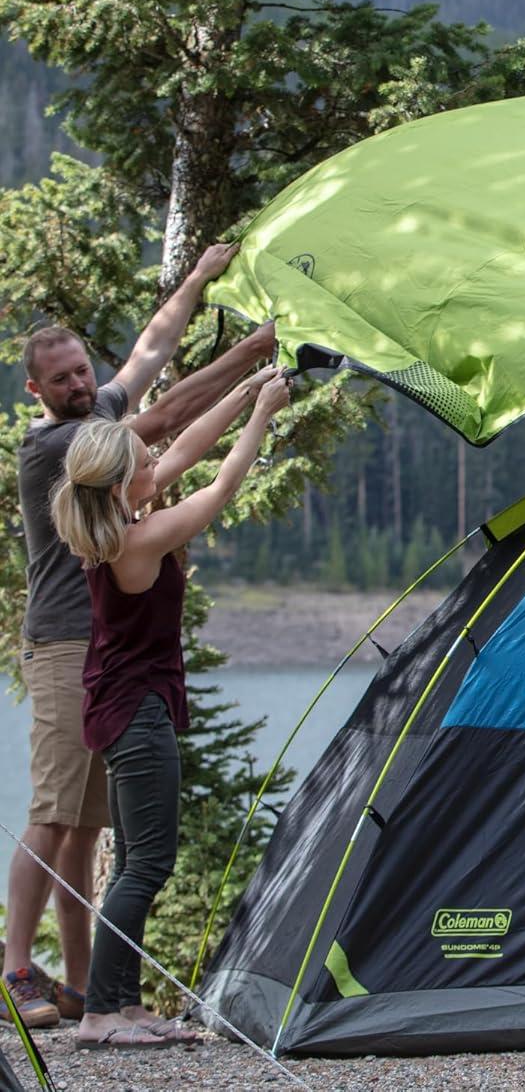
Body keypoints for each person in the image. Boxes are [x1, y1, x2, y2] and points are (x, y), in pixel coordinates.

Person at [6, 244, 274, 1030]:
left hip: (105, 661)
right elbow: (168, 429)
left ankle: (95, 990)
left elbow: (153, 359)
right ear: (36, 390)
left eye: (83, 372)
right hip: (67, 646)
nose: (81, 385)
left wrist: (196, 281)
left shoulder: (105, 456)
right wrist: (250, 364)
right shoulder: (67, 450)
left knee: (89, 829)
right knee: (57, 814)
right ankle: (18, 969)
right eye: (61, 380)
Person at [51, 366, 290, 1050]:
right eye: (145, 461)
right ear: (126, 481)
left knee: (132, 859)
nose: (157, 461)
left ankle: (122, 1007)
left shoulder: (114, 517)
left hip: (120, 705)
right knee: (149, 863)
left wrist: (243, 393)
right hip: (136, 712)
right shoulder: (136, 541)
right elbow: (218, 488)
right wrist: (262, 417)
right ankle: (101, 1012)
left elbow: (182, 451)